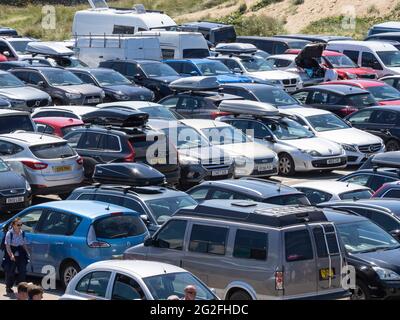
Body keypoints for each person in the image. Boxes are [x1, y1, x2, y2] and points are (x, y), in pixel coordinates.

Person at [2, 218, 30, 294]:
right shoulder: (9, 233)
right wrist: (11, 255)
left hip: (20, 252)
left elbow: (24, 244)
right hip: (11, 251)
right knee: (10, 271)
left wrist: (27, 252)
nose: (20, 226)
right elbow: (7, 246)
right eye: (18, 225)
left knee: (22, 271)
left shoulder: (22, 233)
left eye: (21, 224)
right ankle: (8, 287)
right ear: (13, 225)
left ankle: (21, 288)